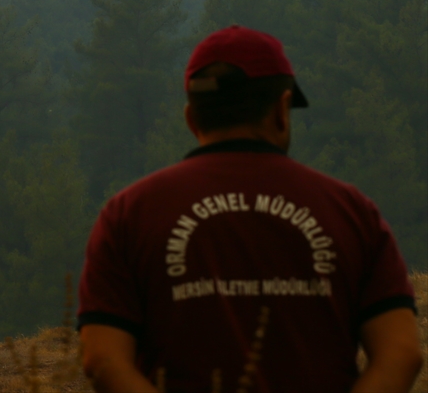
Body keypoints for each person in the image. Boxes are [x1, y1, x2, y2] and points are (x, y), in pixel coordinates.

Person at [78, 25, 422, 393]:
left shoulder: (128, 214)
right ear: (280, 110)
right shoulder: (351, 211)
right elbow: (401, 354)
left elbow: (102, 359)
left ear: (192, 119)